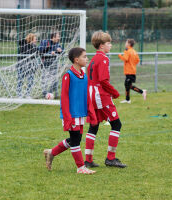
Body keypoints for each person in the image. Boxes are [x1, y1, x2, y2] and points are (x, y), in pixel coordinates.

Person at [43, 47, 97, 174]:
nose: (87, 59)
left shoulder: (84, 76)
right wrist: (67, 117)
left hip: (80, 114)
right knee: (76, 140)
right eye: (84, 56)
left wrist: (91, 112)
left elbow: (86, 97)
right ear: (76, 60)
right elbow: (64, 98)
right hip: (71, 115)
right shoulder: (68, 75)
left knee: (75, 139)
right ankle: (81, 167)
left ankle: (51, 152)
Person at [84, 31, 127, 168]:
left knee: (94, 125)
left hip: (91, 94)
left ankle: (88, 159)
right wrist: (114, 92)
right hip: (100, 96)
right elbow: (103, 80)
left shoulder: (92, 59)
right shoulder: (103, 58)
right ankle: (110, 158)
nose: (111, 46)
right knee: (116, 124)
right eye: (109, 43)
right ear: (102, 46)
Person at [118, 39, 147, 104]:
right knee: (127, 85)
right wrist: (132, 64)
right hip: (132, 70)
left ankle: (142, 92)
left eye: (126, 42)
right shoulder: (134, 51)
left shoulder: (127, 50)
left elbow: (125, 58)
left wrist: (120, 55)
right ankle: (127, 100)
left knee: (128, 85)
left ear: (128, 44)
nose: (125, 43)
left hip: (129, 71)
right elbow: (137, 60)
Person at [38, 32, 63, 98]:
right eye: (58, 36)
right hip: (45, 64)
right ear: (53, 37)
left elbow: (62, 51)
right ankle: (44, 94)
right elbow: (40, 51)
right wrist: (49, 52)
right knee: (45, 79)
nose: (59, 38)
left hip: (54, 64)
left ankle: (51, 93)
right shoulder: (45, 42)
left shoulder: (58, 44)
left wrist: (60, 51)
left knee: (55, 79)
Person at [16, 33, 38, 98]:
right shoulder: (24, 45)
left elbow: (37, 53)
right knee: (20, 80)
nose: (36, 40)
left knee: (31, 80)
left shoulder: (34, 46)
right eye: (35, 39)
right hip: (22, 65)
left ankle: (28, 94)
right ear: (31, 39)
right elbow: (28, 53)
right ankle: (19, 94)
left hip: (30, 66)